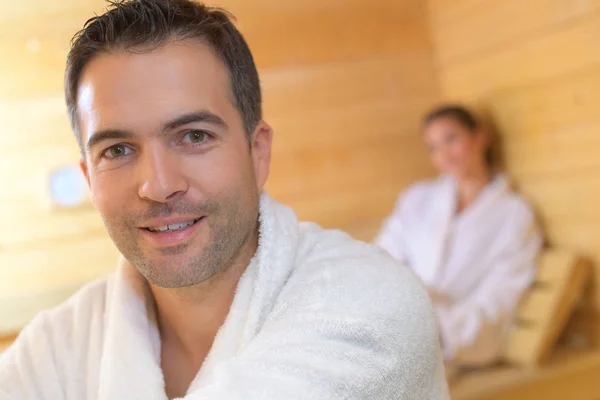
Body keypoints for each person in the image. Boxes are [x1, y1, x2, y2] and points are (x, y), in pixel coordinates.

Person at [0, 1, 450, 399]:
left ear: (258, 152)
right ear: (89, 177)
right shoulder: (56, 350)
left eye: (194, 136)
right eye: (117, 150)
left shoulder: (372, 305)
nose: (157, 186)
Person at [375, 105, 542, 368]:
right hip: (396, 316)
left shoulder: (514, 215)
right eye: (433, 148)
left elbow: (501, 294)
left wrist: (443, 330)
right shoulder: (417, 198)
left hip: (450, 337)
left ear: (480, 137)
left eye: (451, 139)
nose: (444, 155)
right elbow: (381, 258)